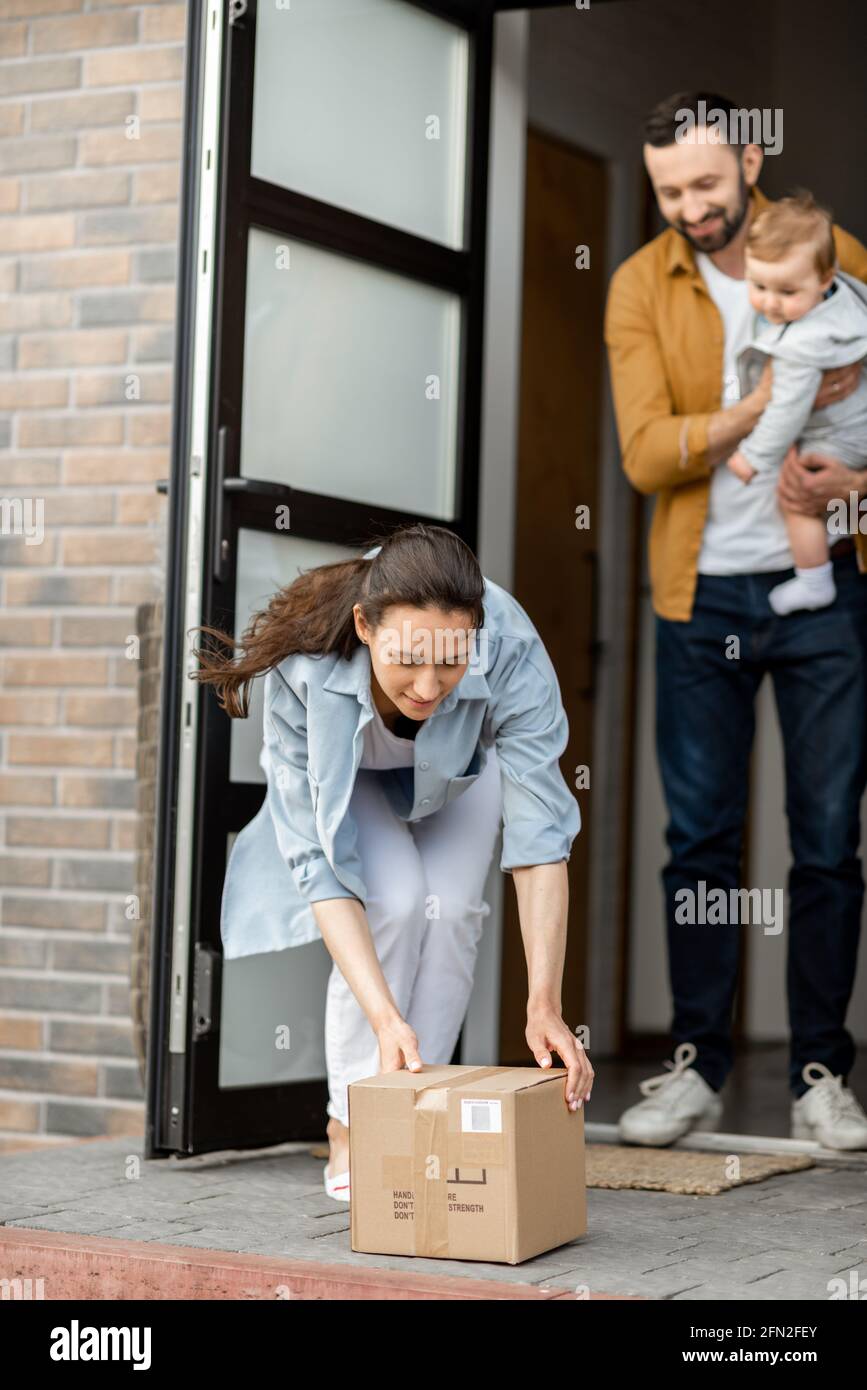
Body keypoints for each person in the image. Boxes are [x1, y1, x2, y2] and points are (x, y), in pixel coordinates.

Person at [604, 91, 867, 1150]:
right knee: (699, 839)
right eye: (669, 191)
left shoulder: (842, 258)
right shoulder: (638, 284)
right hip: (698, 592)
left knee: (827, 837)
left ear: (752, 159)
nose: (690, 208)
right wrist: (765, 407)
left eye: (706, 185)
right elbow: (643, 453)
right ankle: (695, 1066)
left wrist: (847, 483)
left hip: (826, 587)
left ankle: (819, 1073)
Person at [191, 523, 593, 1199]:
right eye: (408, 659)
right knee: (399, 903)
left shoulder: (511, 646)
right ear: (365, 626)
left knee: (455, 909)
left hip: (460, 774)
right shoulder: (307, 666)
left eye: (451, 660)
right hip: (360, 785)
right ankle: (350, 1122)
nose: (429, 687)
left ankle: (414, 1118)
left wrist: (543, 1002)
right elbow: (321, 866)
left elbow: (540, 833)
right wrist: (383, 1018)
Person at [727, 191, 867, 614]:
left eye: (786, 291)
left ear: (825, 278)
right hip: (856, 420)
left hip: (838, 437)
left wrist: (752, 457)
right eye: (759, 286)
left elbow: (786, 412)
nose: (770, 302)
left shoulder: (803, 346)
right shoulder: (846, 294)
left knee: (796, 498)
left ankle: (814, 580)